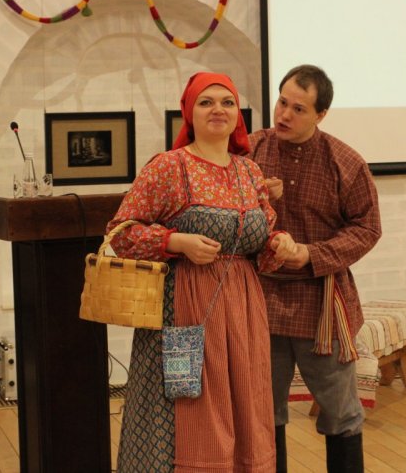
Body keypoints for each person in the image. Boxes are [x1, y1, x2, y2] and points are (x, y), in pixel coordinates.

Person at [106, 72, 298, 472]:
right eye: (206, 102)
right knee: (188, 398)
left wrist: (277, 244)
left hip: (243, 312)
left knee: (245, 400)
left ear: (237, 115)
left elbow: (260, 250)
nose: (218, 110)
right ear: (189, 113)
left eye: (227, 102)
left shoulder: (250, 172)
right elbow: (120, 234)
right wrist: (176, 242)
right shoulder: (169, 167)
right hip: (185, 312)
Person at [248, 64, 382, 473]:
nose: (284, 115)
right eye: (282, 103)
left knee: (341, 412)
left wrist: (312, 254)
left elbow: (368, 228)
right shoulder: (250, 151)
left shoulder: (345, 162)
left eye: (299, 109)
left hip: (322, 302)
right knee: (263, 412)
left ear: (321, 114)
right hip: (260, 299)